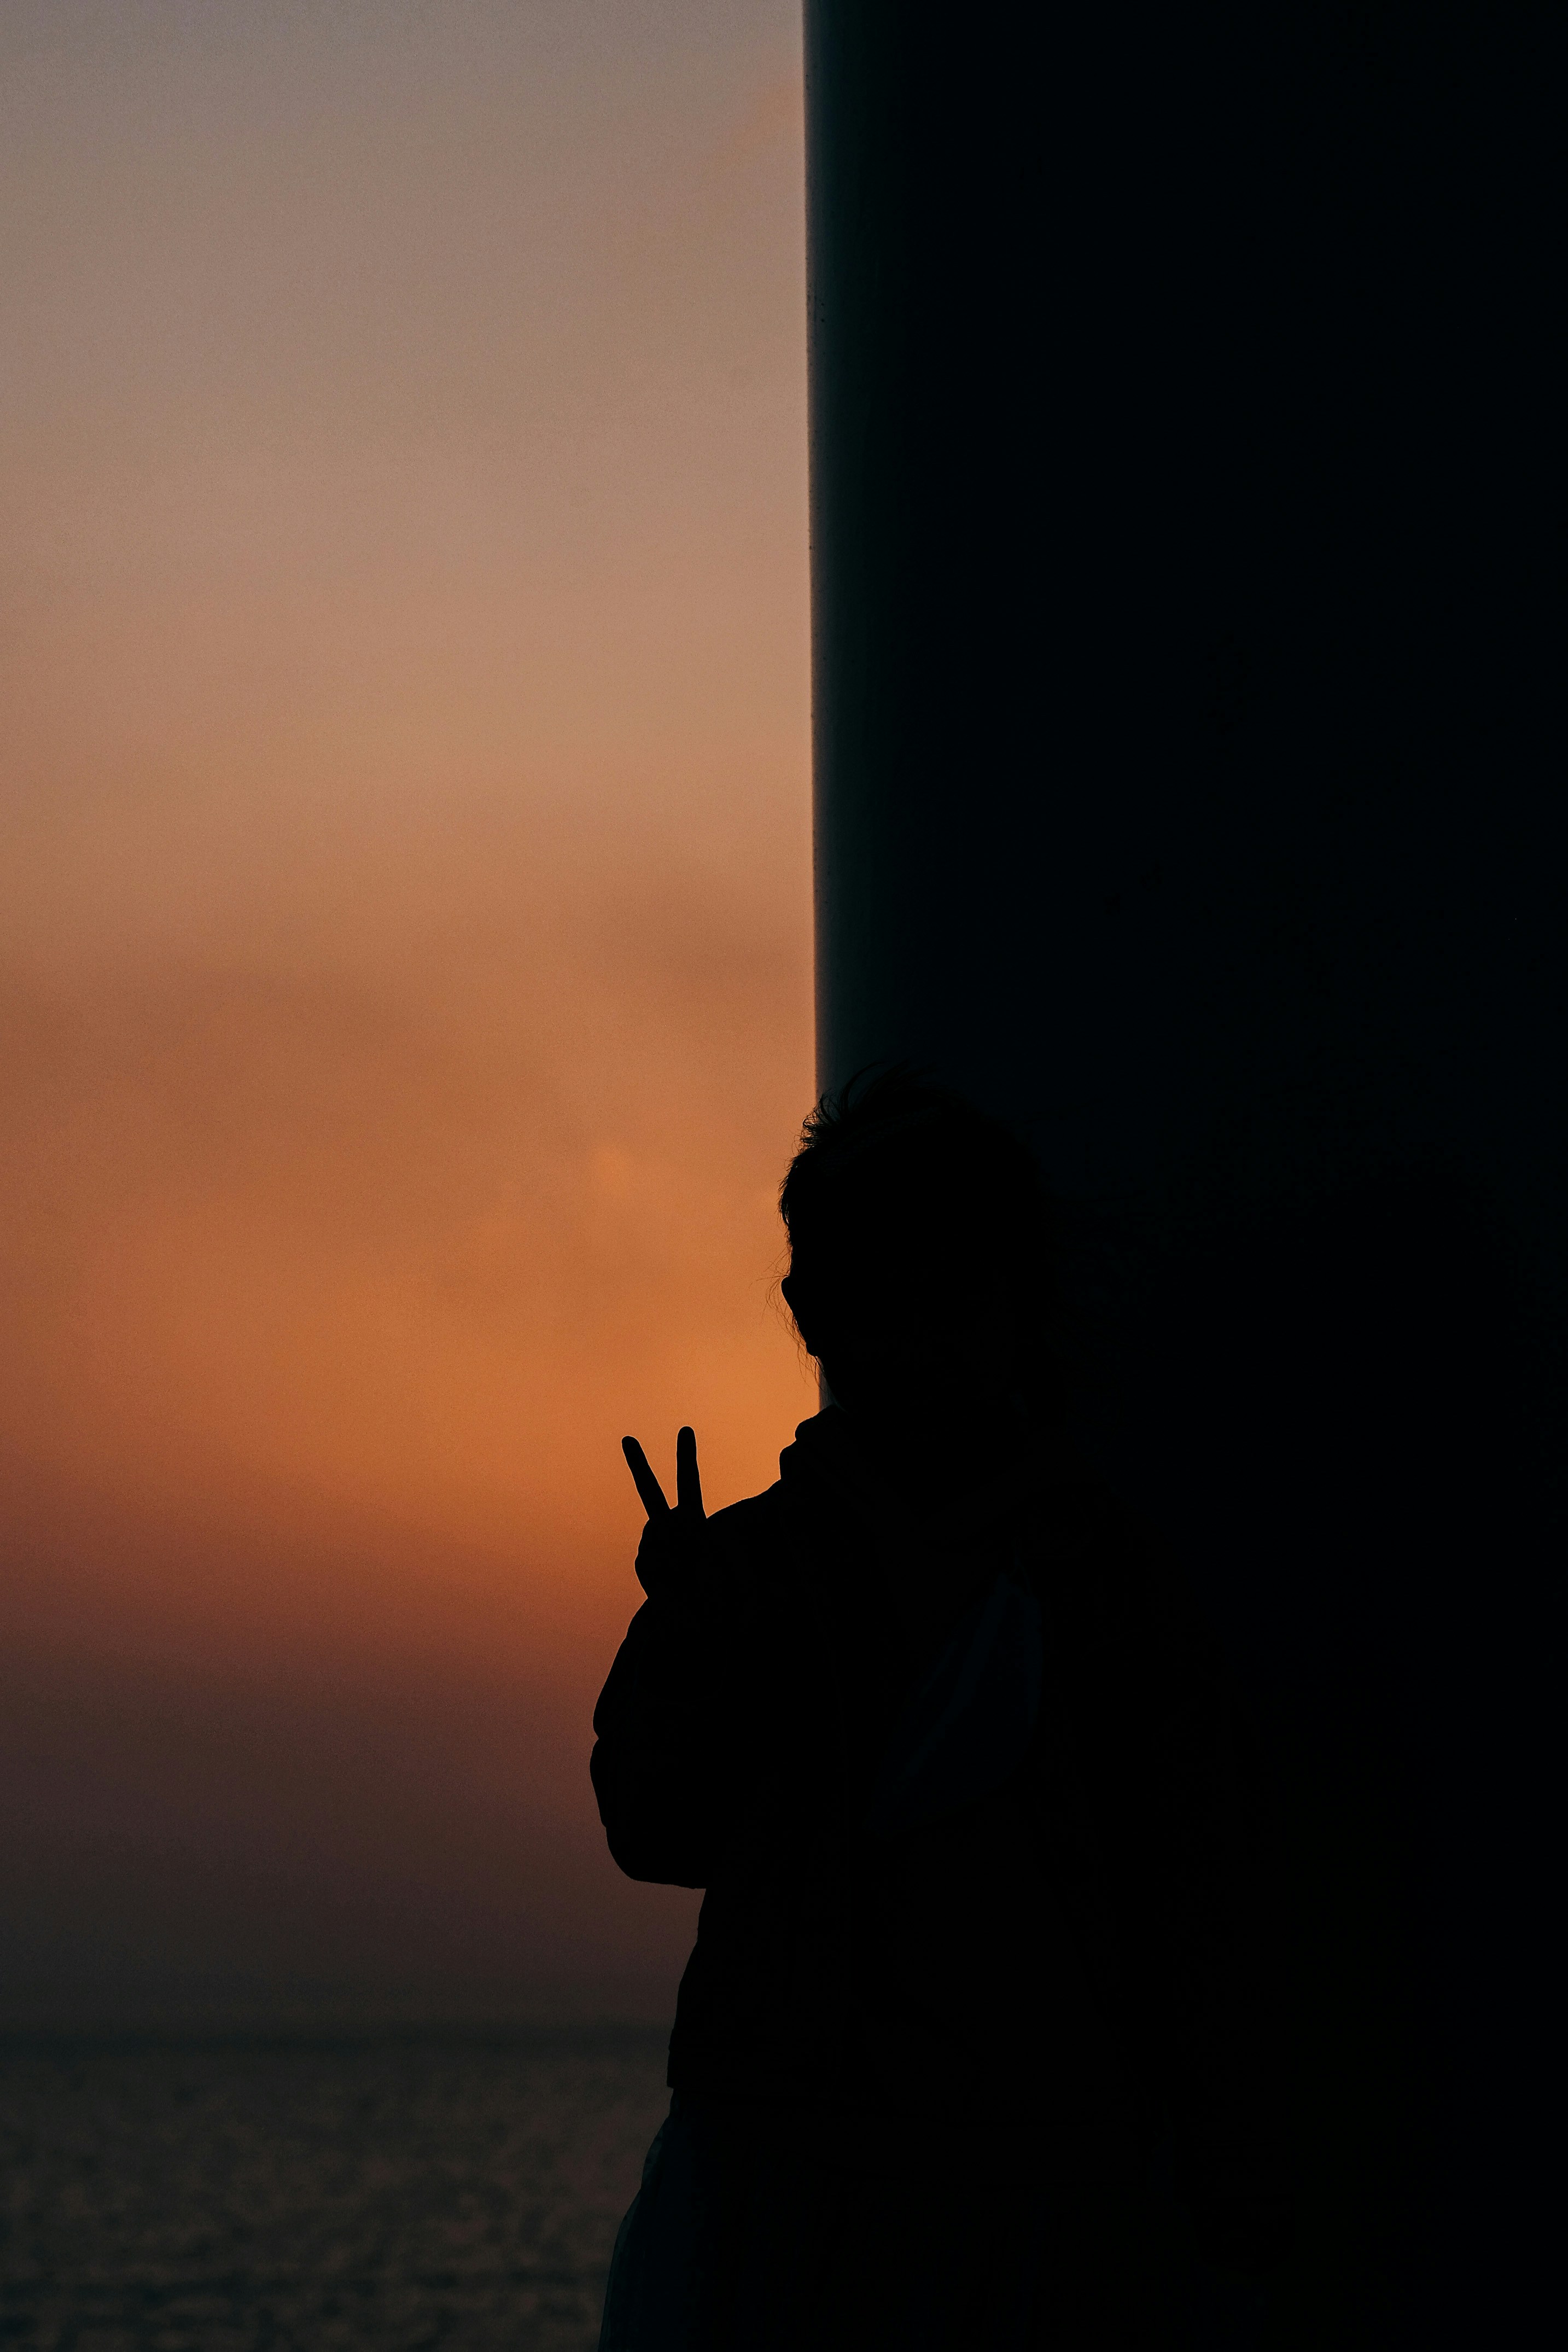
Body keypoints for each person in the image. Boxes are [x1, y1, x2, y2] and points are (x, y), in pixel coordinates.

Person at [592, 1071, 1291, 2349]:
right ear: (812, 1311)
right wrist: (691, 1645)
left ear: (1018, 1302)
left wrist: (1237, 2179)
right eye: (876, 1302)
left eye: (947, 1296)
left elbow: (1203, 1885)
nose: (912, 1342)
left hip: (1034, 2181)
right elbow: (656, 1827)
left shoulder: (1105, 1578)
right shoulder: (750, 1570)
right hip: (796, 2168)